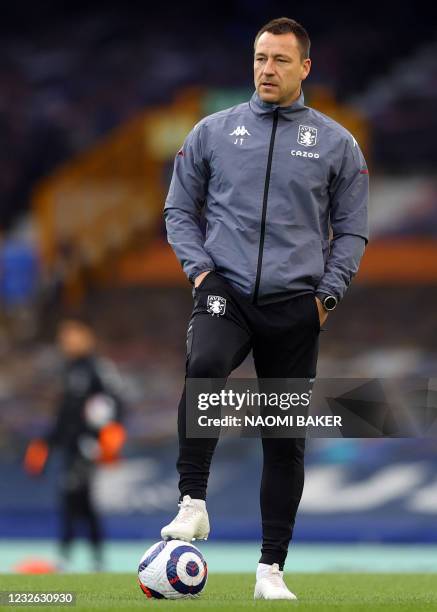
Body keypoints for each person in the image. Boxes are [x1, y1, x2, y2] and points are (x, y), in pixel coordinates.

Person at [162, 17, 369, 600]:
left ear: (305, 67)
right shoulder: (212, 132)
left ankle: (270, 571)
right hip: (224, 289)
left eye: (280, 60)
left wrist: (327, 296)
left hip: (295, 305)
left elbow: (352, 230)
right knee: (205, 365)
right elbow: (178, 209)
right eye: (259, 58)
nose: (266, 70)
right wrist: (200, 273)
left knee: (283, 441)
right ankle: (192, 502)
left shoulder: (337, 144)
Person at [24, 316, 126, 571]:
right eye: (64, 335)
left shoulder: (97, 368)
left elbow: (116, 403)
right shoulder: (69, 369)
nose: (66, 340)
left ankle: (67, 557)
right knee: (81, 502)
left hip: (87, 447)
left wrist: (107, 433)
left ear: (87, 335)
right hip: (71, 447)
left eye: (72, 334)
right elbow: (64, 416)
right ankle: (96, 559)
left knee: (71, 497)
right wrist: (45, 443)